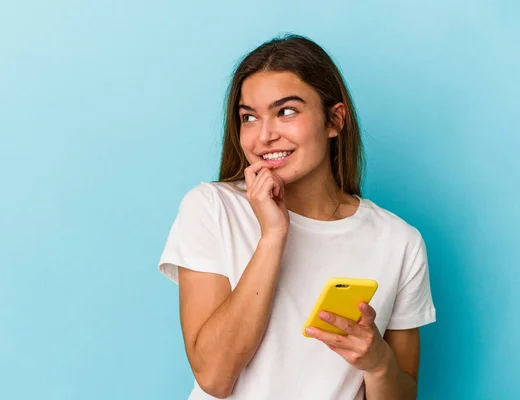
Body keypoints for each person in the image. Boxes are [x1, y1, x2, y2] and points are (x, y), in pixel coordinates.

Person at [157, 34, 436, 400]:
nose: (264, 136)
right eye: (249, 117)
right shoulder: (212, 208)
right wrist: (272, 237)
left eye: (286, 111)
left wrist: (378, 363)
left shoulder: (399, 242)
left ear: (334, 120)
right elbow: (214, 376)